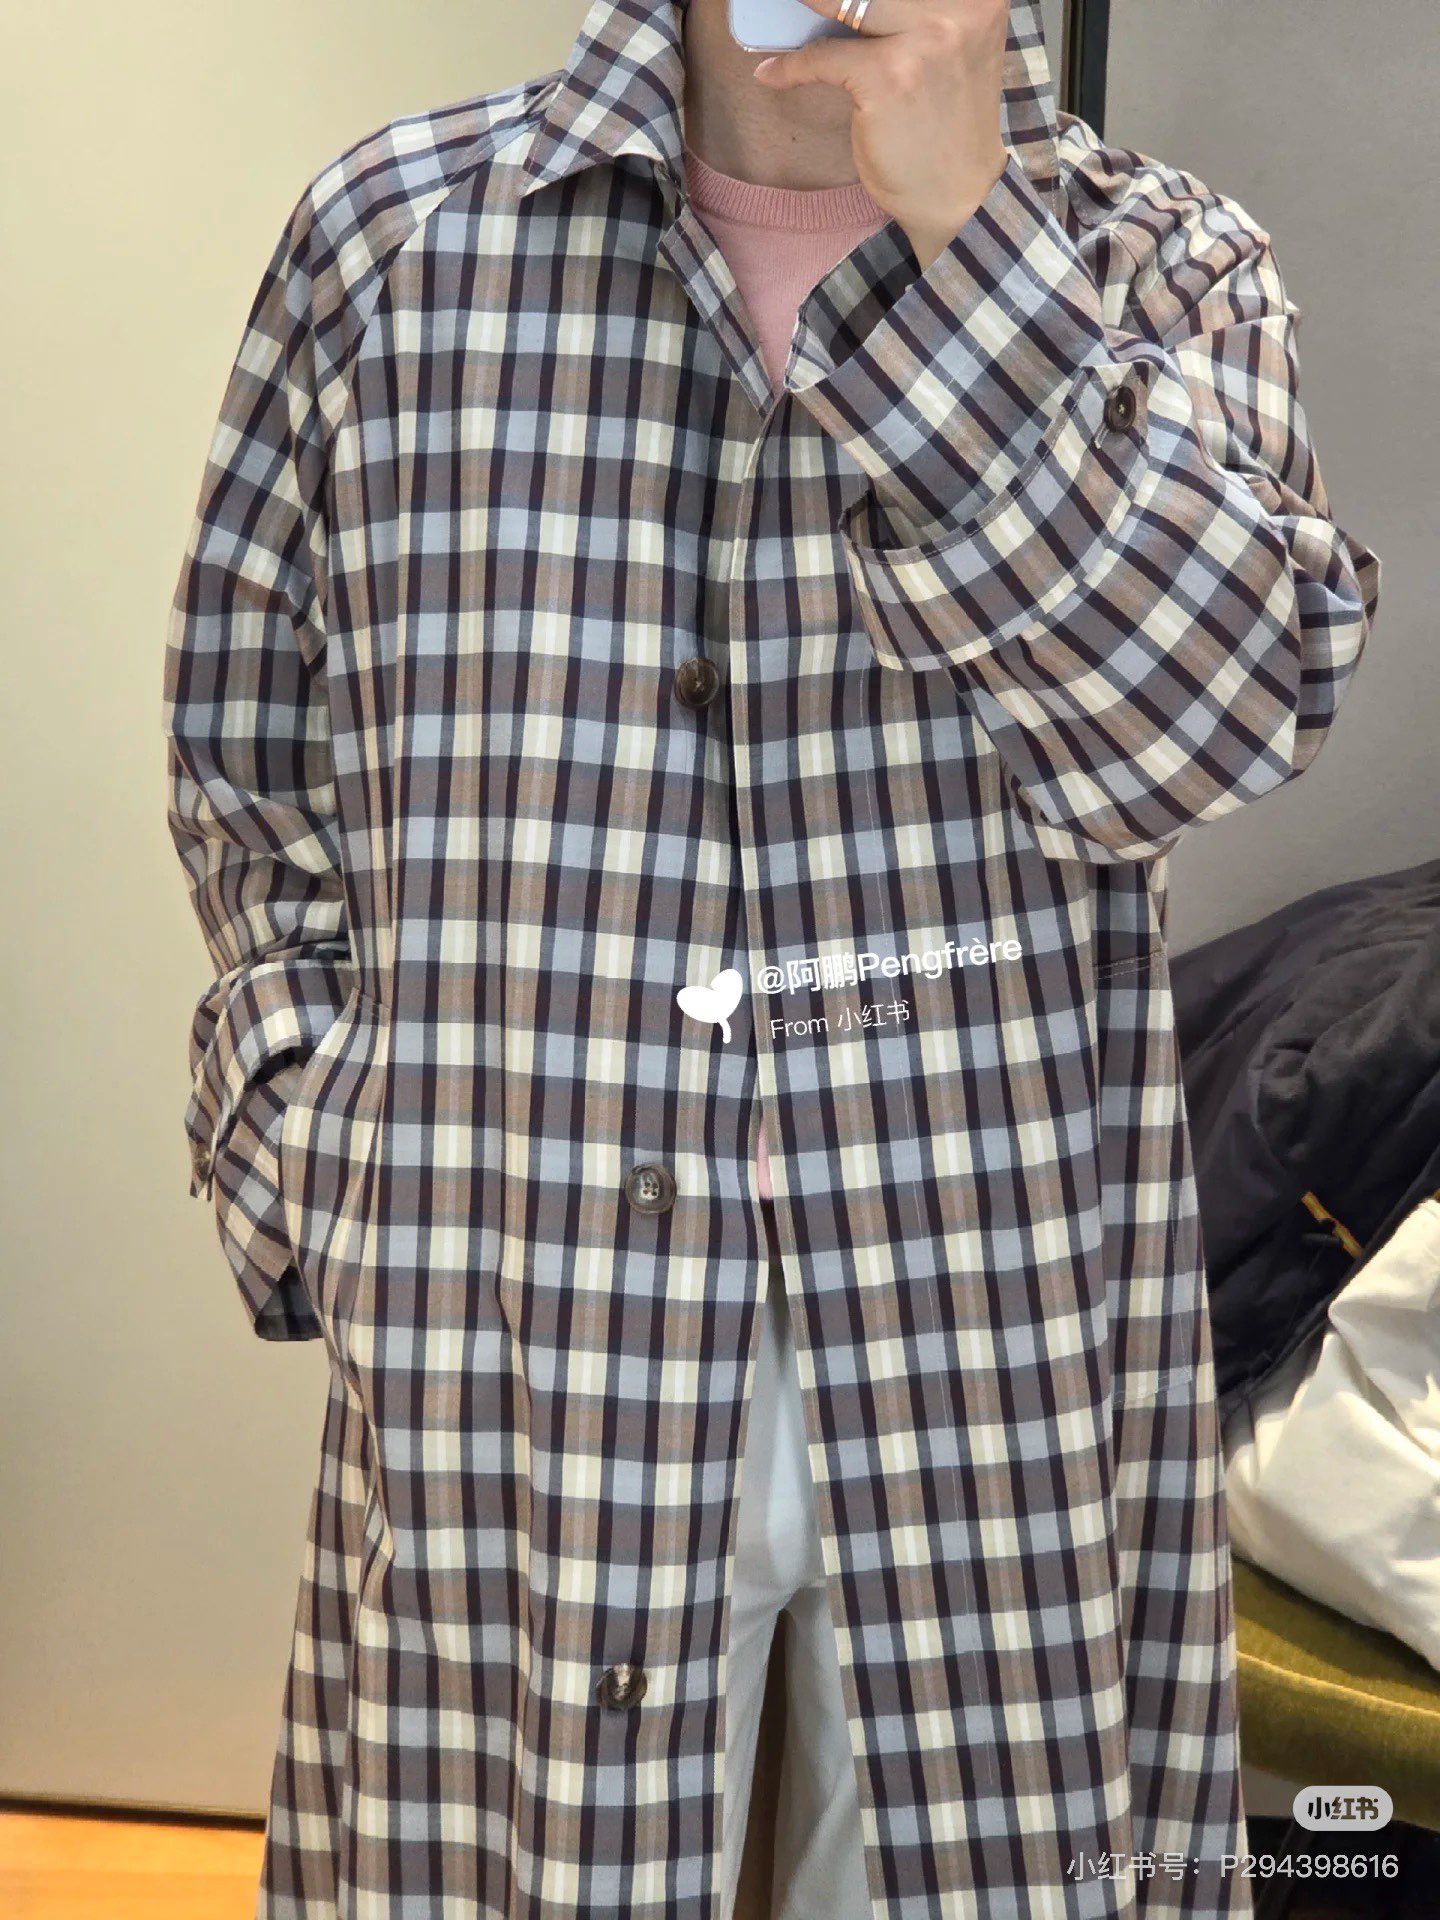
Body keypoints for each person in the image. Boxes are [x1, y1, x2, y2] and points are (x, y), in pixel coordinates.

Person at [161, 0, 1379, 1915]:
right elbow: (251, 765)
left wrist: (975, 255)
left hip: (980, 1334)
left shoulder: (1155, 263)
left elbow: (1209, 727)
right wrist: (327, 1165)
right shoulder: (398, 241)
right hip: (523, 1328)